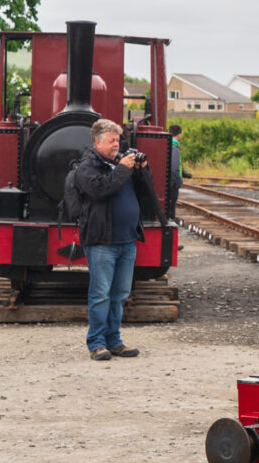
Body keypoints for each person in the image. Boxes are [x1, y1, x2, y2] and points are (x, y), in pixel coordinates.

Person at [72, 119, 162, 361]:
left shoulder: (120, 164)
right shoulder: (86, 167)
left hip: (126, 240)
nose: (116, 144)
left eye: (118, 140)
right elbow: (101, 190)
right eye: (111, 140)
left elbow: (146, 193)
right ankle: (97, 343)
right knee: (100, 294)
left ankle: (114, 341)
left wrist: (144, 169)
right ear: (97, 142)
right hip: (102, 241)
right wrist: (124, 168)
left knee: (120, 294)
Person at [167, 123, 192, 219]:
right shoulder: (174, 146)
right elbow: (174, 167)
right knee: (172, 207)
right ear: (179, 135)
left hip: (169, 181)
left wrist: (186, 174)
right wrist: (178, 182)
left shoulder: (168, 144)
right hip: (172, 183)